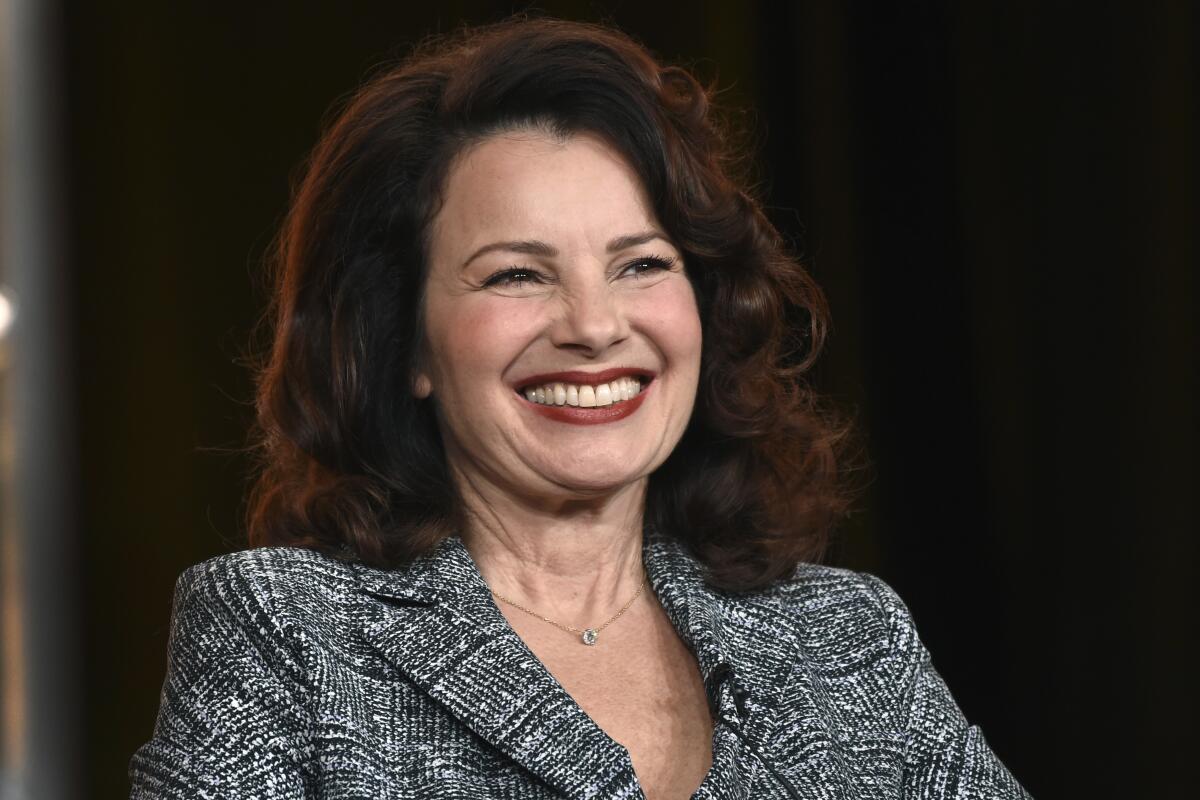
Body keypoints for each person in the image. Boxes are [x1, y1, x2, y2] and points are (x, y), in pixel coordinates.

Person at [129, 17, 1030, 800]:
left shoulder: (846, 636)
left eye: (641, 264)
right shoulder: (282, 631)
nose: (596, 327)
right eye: (518, 275)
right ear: (404, 343)